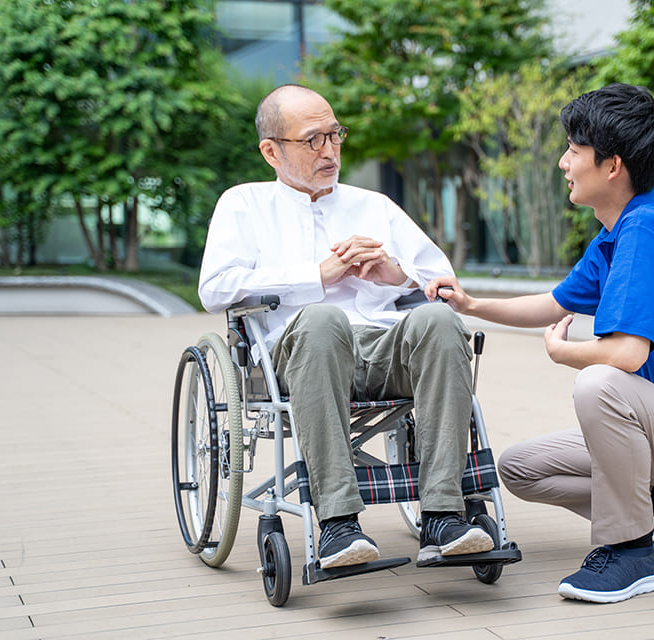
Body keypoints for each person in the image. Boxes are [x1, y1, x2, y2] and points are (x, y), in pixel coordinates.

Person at [425, 83, 654, 603]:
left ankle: (629, 552)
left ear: (611, 166)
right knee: (518, 469)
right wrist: (471, 306)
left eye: (574, 151)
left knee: (600, 383)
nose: (563, 162)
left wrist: (564, 354)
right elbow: (554, 303)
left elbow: (627, 354)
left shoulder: (645, 231)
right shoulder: (614, 235)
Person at [198, 84, 494, 571]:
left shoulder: (372, 205)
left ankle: (444, 513)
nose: (330, 150)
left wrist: (395, 273)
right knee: (321, 318)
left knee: (440, 320)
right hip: (301, 352)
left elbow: (441, 281)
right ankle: (338, 525)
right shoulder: (243, 205)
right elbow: (216, 288)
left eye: (335, 135)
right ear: (271, 151)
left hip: (383, 348)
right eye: (313, 140)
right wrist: (315, 277)